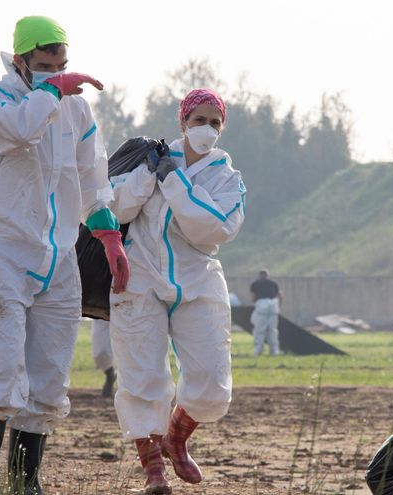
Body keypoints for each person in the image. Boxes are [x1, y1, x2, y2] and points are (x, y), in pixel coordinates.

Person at [0, 16, 129, 495]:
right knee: (0, 368)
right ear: (20, 60)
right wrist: (53, 91)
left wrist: (108, 234)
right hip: (4, 250)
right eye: (45, 65)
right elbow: (21, 131)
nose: (56, 74)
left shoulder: (76, 109)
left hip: (59, 253)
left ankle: (26, 482)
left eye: (61, 65)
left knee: (50, 372)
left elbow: (91, 175)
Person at [107, 88, 245, 494]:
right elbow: (115, 208)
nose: (207, 128)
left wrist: (174, 182)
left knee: (212, 379)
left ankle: (176, 438)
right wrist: (147, 174)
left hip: (197, 279)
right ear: (183, 121)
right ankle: (154, 472)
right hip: (139, 277)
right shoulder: (150, 159)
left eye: (215, 122)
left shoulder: (227, 178)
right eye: (199, 120)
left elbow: (212, 228)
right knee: (141, 375)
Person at [250, 269, 282, 356]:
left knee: (259, 331)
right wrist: (279, 307)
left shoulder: (255, 284)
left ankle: (258, 351)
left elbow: (253, 297)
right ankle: (274, 352)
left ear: (259, 275)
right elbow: (280, 295)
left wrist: (255, 305)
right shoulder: (273, 283)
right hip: (273, 309)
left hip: (261, 309)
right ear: (268, 275)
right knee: (273, 332)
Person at [91, 320, 117, 397]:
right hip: (99, 319)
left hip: (115, 318)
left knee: (105, 352)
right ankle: (110, 375)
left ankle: (111, 375)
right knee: (98, 353)